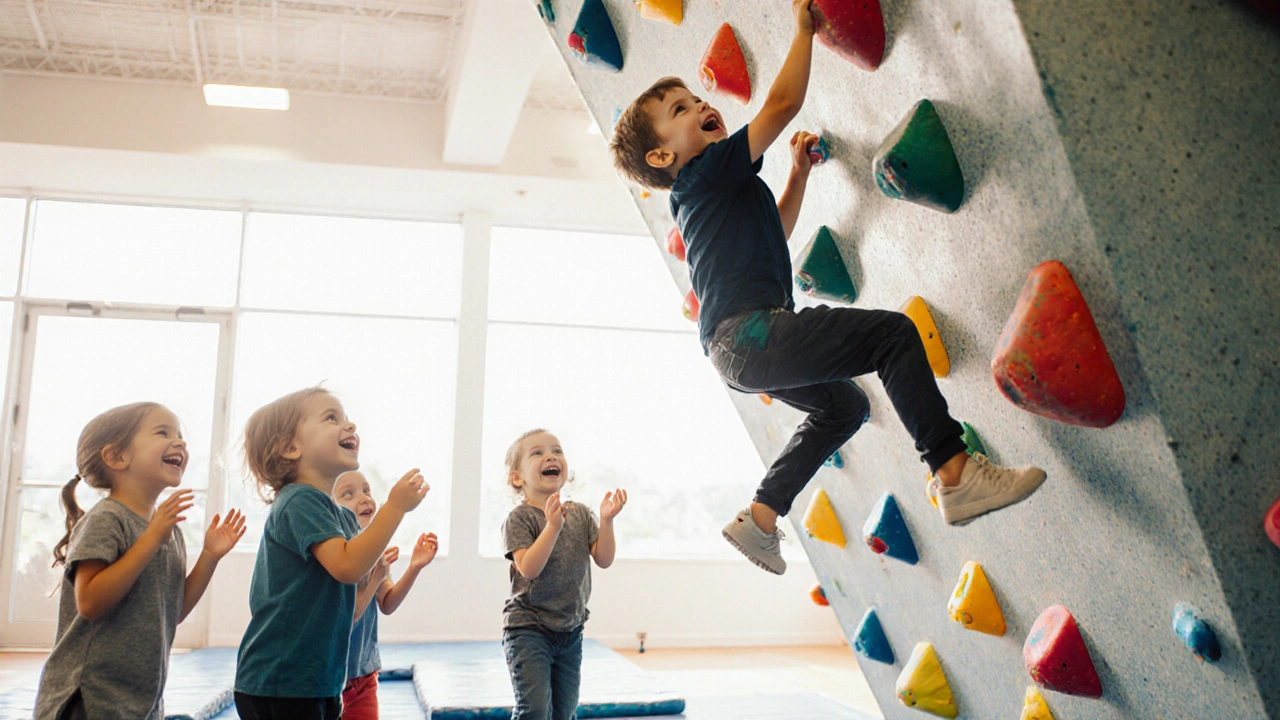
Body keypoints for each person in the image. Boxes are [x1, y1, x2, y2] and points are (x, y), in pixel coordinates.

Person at [608, 0, 1046, 575]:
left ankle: (762, 515)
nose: (701, 104)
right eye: (681, 109)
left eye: (695, 96)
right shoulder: (702, 174)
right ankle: (953, 470)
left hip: (738, 350)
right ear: (664, 155)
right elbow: (783, 104)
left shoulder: (713, 192)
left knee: (844, 406)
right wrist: (802, 30)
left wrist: (797, 176)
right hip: (751, 335)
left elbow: (775, 234)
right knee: (893, 336)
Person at [34, 402, 244, 720]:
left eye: (180, 435)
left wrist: (210, 556)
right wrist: (151, 539)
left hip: (140, 700)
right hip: (89, 700)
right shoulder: (107, 519)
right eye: (163, 432)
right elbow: (89, 602)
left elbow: (174, 610)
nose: (181, 443)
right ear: (117, 457)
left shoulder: (166, 529)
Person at [234, 387, 428, 720]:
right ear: (291, 447)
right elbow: (348, 567)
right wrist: (394, 507)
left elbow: (346, 612)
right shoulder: (298, 500)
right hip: (281, 682)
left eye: (348, 418)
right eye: (331, 418)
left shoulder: (342, 518)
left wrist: (380, 575)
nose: (350, 426)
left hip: (320, 681)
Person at [500, 429, 626, 720]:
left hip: (570, 632)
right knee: (534, 711)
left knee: (565, 712)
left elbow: (604, 559)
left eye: (556, 451)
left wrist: (606, 521)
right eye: (537, 452)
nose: (551, 456)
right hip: (528, 630)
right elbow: (529, 568)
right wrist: (552, 527)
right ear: (517, 478)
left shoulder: (580, 514)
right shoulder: (520, 518)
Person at [332, 470, 439, 720]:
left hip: (364, 675)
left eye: (366, 490)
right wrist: (376, 577)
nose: (364, 498)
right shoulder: (333, 552)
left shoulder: (376, 550)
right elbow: (346, 615)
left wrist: (414, 567)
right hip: (330, 678)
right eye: (348, 494)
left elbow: (388, 603)